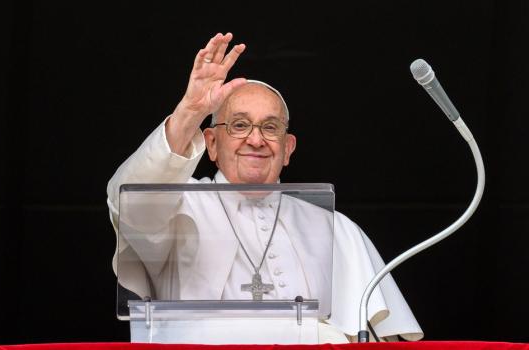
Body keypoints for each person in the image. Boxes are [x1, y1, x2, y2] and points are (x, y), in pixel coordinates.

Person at [107, 32, 423, 343]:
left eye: (270, 128)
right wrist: (189, 112)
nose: (256, 140)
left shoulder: (337, 229)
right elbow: (129, 205)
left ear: (288, 148)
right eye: (240, 125)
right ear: (212, 144)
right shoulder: (175, 204)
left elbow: (382, 340)